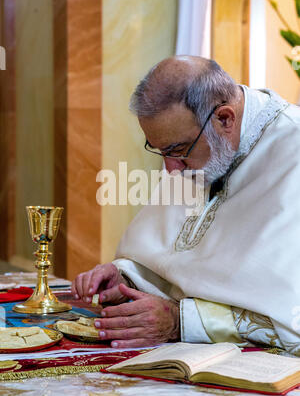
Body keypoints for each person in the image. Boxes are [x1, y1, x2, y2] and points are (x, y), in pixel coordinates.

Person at [72, 55, 300, 355]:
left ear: (225, 119)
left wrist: (182, 321)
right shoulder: (198, 145)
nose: (171, 169)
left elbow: (289, 315)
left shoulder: (291, 152)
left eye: (178, 150)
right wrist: (126, 276)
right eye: (161, 152)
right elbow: (178, 253)